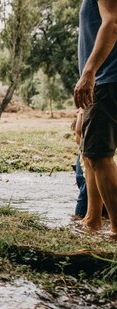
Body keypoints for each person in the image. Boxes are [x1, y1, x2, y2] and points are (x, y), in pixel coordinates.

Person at [74, 0, 117, 237]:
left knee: (99, 156)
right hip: (101, 80)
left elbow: (112, 23)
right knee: (89, 153)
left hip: (106, 79)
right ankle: (92, 220)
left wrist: (89, 73)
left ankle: (116, 229)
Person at [73, 109, 88, 218]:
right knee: (84, 187)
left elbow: (79, 134)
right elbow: (79, 138)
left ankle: (79, 217)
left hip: (86, 155)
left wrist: (80, 114)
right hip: (83, 155)